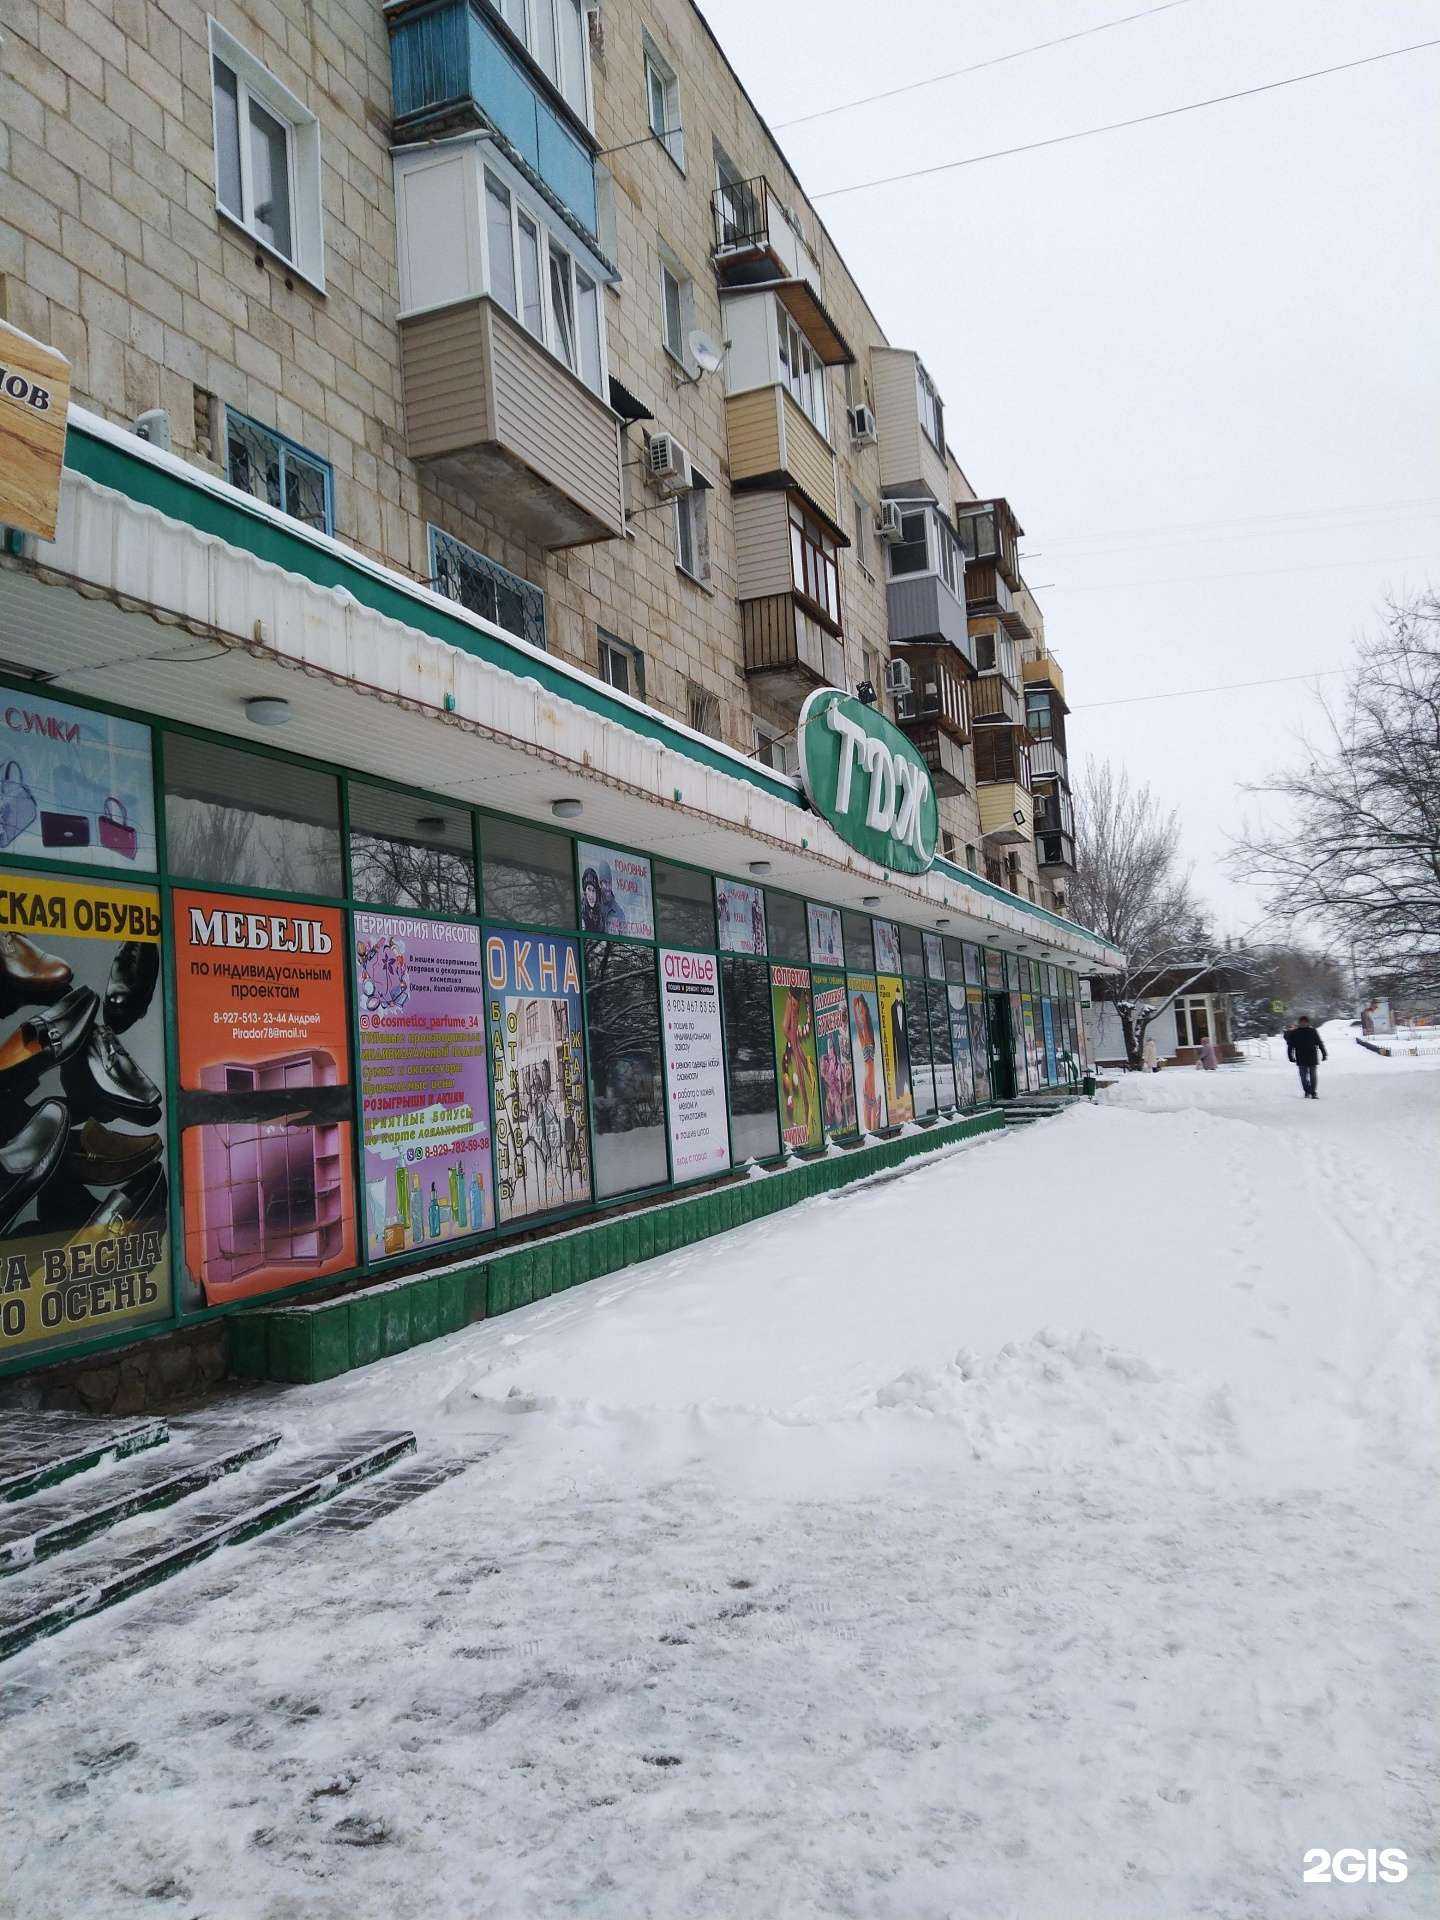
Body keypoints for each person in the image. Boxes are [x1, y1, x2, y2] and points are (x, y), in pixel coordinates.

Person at [1284, 1014, 1328, 1098]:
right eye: (1302, 1022)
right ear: (1299, 1023)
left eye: (1305, 1022)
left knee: (1313, 1076)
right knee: (1303, 1077)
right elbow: (1290, 1045)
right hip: (1300, 1057)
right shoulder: (1295, 1032)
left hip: (1312, 1057)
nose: (1303, 1023)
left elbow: (1319, 1042)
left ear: (1308, 1023)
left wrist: (1324, 1053)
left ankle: (1313, 1092)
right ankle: (1307, 1090)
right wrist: (1290, 1056)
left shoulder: (1313, 1031)